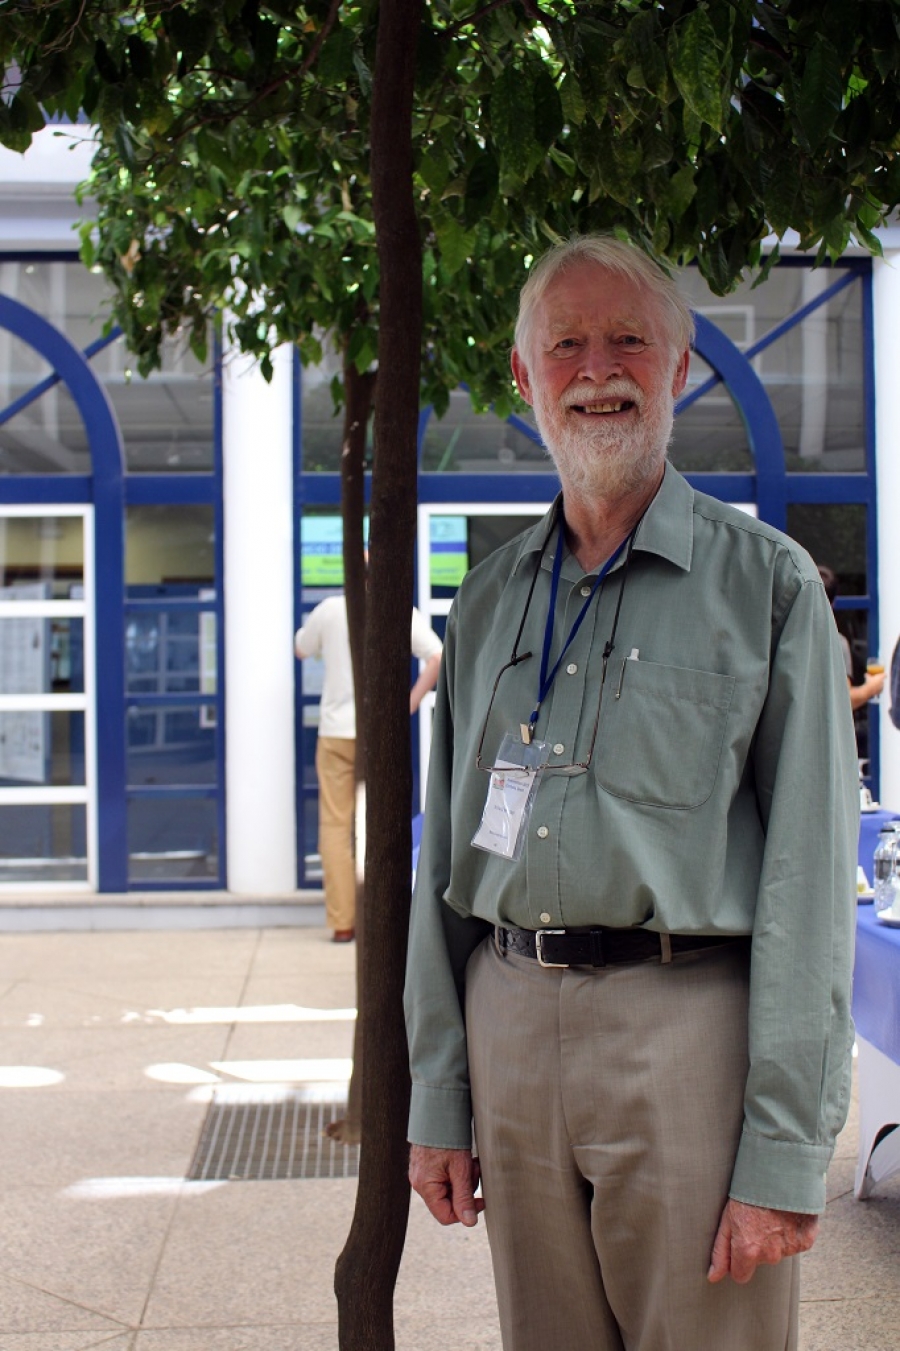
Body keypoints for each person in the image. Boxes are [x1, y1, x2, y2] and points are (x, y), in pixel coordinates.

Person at [404, 234, 858, 1351]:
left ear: (682, 366)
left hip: (688, 1036)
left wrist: (785, 1150)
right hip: (510, 1022)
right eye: (566, 343)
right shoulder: (491, 597)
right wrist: (437, 1096)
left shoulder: (768, 587)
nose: (597, 369)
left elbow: (808, 884)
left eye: (628, 341)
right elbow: (441, 868)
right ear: (524, 378)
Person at [295, 591, 442, 941]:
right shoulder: (396, 605)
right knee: (380, 826)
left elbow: (300, 648)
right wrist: (408, 703)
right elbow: (437, 656)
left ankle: (344, 923)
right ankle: (381, 921)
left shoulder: (330, 609)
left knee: (335, 826)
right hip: (379, 733)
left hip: (336, 733)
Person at [817, 564, 885, 712]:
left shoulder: (781, 635)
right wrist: (872, 688)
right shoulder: (834, 641)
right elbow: (844, 701)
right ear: (834, 602)